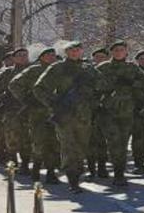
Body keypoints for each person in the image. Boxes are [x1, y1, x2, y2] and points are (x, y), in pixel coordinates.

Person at [33, 42, 105, 195]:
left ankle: (77, 174)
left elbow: (103, 85)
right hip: (64, 115)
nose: (74, 52)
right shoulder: (57, 68)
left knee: (81, 147)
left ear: (82, 51)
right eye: (71, 50)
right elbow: (39, 88)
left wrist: (92, 96)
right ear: (66, 52)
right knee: (68, 147)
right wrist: (53, 103)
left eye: (77, 50)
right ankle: (73, 179)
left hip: (84, 116)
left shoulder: (89, 69)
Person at [96, 41, 144, 186]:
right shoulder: (103, 68)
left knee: (122, 144)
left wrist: (131, 84)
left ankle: (119, 172)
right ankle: (109, 169)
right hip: (108, 112)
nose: (119, 52)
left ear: (126, 52)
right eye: (116, 50)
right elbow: (93, 87)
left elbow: (143, 86)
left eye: (122, 50)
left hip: (127, 112)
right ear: (111, 52)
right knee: (112, 142)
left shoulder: (133, 68)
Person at [11, 47, 60, 184]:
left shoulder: (59, 70)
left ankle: (51, 172)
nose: (51, 57)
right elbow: (14, 84)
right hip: (37, 113)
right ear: (41, 57)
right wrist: (26, 99)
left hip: (56, 111)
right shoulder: (33, 70)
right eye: (48, 55)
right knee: (38, 141)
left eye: (53, 55)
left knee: (54, 142)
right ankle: (36, 169)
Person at [0, 48, 30, 172]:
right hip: (12, 110)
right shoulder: (7, 72)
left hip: (29, 109)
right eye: (19, 55)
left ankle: (25, 164)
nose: (23, 57)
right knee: (12, 137)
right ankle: (13, 163)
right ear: (13, 59)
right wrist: (2, 96)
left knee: (27, 138)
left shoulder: (33, 70)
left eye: (25, 55)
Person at [86, 47, 111, 179]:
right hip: (89, 110)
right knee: (90, 141)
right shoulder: (87, 71)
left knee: (102, 141)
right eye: (97, 56)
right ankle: (91, 169)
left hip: (106, 111)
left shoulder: (110, 71)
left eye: (102, 56)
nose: (100, 59)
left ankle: (102, 167)